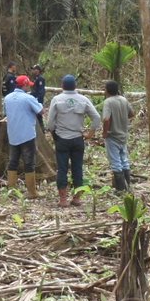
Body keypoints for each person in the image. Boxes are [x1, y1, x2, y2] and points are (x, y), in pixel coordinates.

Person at [45, 74, 100, 208]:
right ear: (75, 85)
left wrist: (54, 135)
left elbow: (50, 123)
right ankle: (76, 198)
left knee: (62, 169)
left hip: (62, 139)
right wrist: (90, 134)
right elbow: (97, 117)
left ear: (62, 86)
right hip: (77, 138)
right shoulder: (83, 99)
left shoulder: (57, 99)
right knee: (77, 168)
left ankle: (63, 199)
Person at [4, 75, 45, 198]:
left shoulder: (7, 98)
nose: (29, 88)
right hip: (27, 134)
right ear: (25, 85)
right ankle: (32, 192)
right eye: (28, 85)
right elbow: (40, 111)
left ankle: (11, 190)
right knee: (29, 163)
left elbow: (6, 113)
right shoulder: (28, 98)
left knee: (13, 161)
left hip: (13, 133)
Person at [102, 80, 134, 192]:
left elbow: (106, 119)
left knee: (116, 162)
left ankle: (120, 189)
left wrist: (105, 132)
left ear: (107, 90)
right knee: (124, 161)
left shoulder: (108, 102)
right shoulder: (123, 100)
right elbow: (131, 113)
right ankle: (127, 186)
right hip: (123, 135)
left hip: (113, 136)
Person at [31, 64, 47, 132]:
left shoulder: (40, 79)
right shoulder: (36, 78)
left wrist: (38, 99)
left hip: (38, 100)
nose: (33, 71)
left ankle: (42, 130)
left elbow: (41, 91)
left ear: (37, 70)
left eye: (34, 69)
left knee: (38, 115)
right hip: (35, 99)